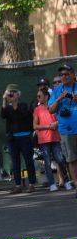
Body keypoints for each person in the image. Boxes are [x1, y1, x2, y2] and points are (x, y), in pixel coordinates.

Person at [33, 89, 72, 191]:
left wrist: (56, 123)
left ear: (46, 97)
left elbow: (61, 118)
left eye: (39, 96)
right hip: (43, 141)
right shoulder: (37, 109)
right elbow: (35, 126)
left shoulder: (54, 107)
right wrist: (48, 127)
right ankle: (51, 184)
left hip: (55, 139)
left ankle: (67, 181)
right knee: (47, 162)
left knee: (60, 160)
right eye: (37, 96)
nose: (38, 98)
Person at [1, 84, 36, 194]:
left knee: (28, 161)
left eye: (13, 92)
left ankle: (31, 184)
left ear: (18, 94)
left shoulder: (23, 105)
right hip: (13, 139)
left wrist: (14, 102)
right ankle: (17, 185)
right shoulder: (8, 107)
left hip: (25, 137)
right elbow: (3, 115)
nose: (11, 94)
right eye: (9, 92)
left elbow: (21, 114)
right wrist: (4, 99)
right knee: (15, 163)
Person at [48, 64, 77, 198]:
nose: (64, 77)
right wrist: (60, 98)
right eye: (62, 75)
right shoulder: (57, 90)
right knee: (71, 159)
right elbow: (51, 110)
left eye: (67, 74)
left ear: (73, 75)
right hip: (66, 130)